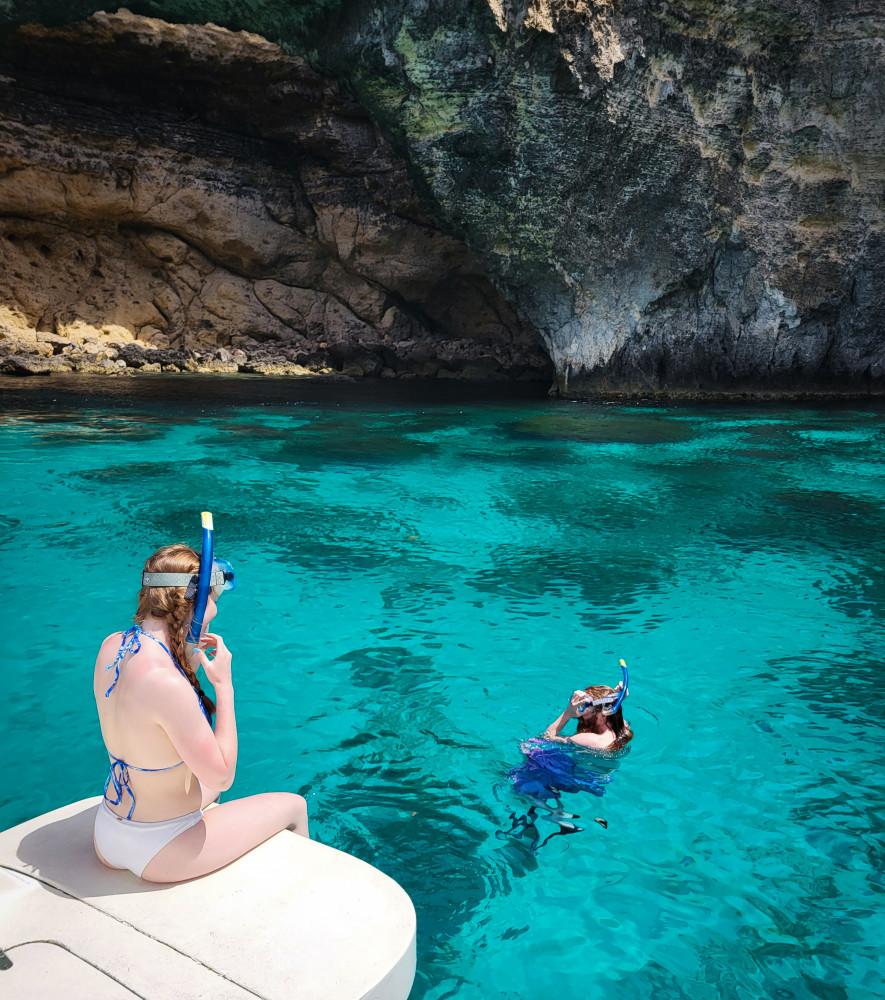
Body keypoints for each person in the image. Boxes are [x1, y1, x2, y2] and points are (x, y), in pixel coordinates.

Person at [92, 542, 309, 883]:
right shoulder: (167, 683)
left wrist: (187, 655)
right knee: (294, 805)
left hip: (107, 832)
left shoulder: (112, 646)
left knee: (209, 791)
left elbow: (152, 705)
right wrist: (224, 685)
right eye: (212, 603)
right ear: (190, 602)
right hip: (159, 848)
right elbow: (221, 775)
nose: (214, 614)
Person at [542, 683, 633, 751]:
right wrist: (618, 699)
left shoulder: (589, 739)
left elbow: (547, 737)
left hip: (583, 775)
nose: (581, 713)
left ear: (603, 716)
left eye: (585, 708)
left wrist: (568, 713)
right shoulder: (623, 727)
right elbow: (613, 710)